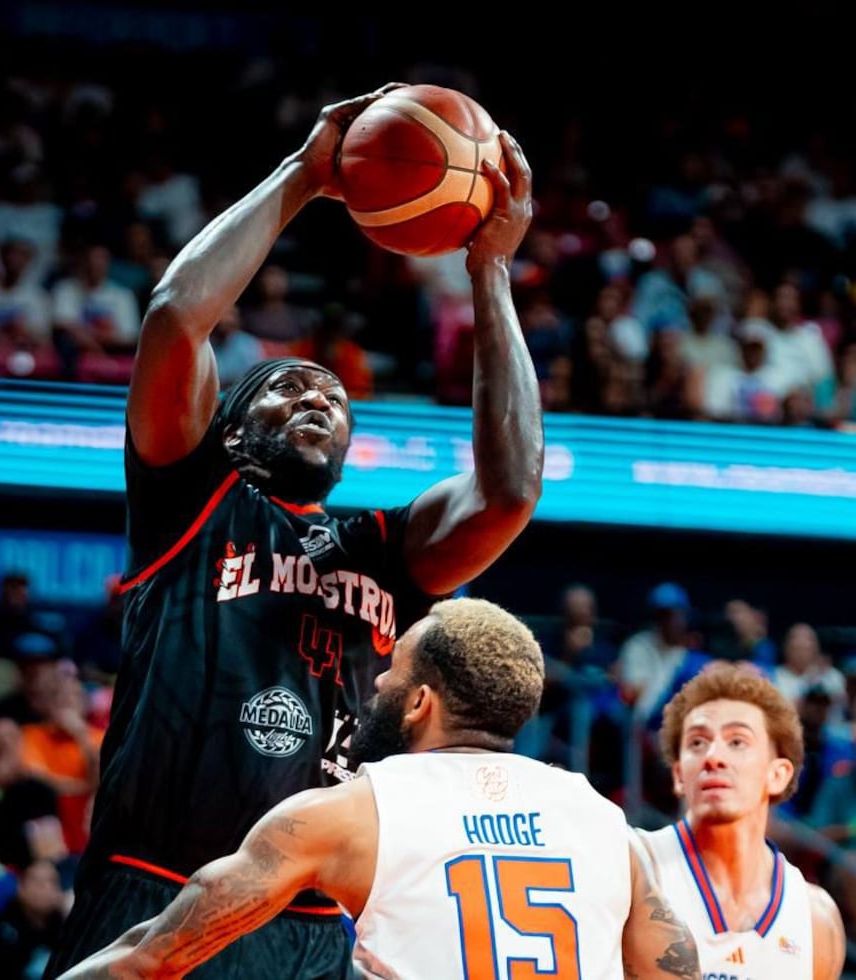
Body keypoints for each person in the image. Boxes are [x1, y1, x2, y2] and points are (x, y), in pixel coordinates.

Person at [44, 82, 545, 980]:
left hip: (312, 917)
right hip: (155, 886)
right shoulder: (194, 498)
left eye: (337, 397)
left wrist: (490, 273)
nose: (318, 396)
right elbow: (176, 317)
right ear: (230, 426)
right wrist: (303, 175)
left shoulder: (383, 553)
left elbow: (510, 491)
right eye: (288, 385)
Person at [58, 597, 700, 980]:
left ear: (420, 702)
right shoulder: (609, 828)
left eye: (390, 677)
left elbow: (154, 956)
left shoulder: (351, 812)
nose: (375, 690)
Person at [634, 662, 846, 980]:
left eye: (737, 742)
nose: (713, 756)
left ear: (777, 775)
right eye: (697, 742)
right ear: (679, 775)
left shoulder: (816, 918)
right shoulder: (633, 866)